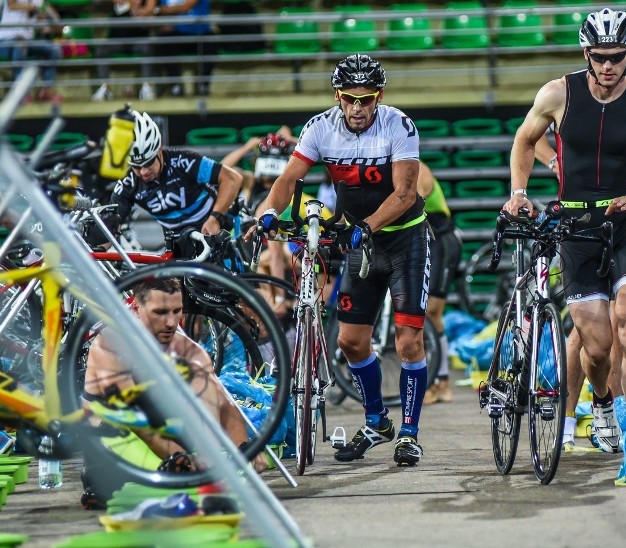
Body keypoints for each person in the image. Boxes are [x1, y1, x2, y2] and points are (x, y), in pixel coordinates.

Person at [504, 8, 626, 454]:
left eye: (617, 56)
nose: (608, 66)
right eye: (600, 56)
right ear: (586, 53)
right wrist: (519, 192)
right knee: (596, 347)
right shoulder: (558, 93)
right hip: (575, 225)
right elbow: (524, 139)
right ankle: (599, 401)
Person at [250, 54, 428, 466]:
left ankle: (410, 434)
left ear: (378, 97)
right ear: (338, 96)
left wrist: (363, 227)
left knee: (408, 341)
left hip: (405, 241)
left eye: (366, 99)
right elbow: (287, 180)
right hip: (360, 241)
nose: (358, 107)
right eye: (350, 99)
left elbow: (403, 194)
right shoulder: (319, 128)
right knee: (350, 341)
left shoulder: (399, 125)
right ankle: (376, 421)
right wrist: (266, 214)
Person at [81, 278, 267, 506]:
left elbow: (222, 401)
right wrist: (185, 460)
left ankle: (184, 468)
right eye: (160, 312)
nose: (171, 322)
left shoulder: (187, 348)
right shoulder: (109, 344)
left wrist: (245, 449)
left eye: (176, 311)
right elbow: (132, 416)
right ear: (136, 308)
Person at [109, 110, 242, 238]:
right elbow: (109, 231)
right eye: (136, 166)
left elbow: (232, 178)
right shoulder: (128, 183)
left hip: (218, 228)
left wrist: (215, 218)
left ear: (159, 151)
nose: (144, 171)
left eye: (149, 163)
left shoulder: (184, 161)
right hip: (179, 242)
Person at [418, 161, 461, 405]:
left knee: (432, 313)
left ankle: (442, 383)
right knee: (420, 314)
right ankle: (436, 380)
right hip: (422, 241)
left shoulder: (418, 167)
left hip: (442, 242)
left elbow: (420, 191)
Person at [143, 0, 217, 97]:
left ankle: (203, 85)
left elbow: (186, 6)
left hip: (200, 33)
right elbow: (154, 13)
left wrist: (162, 10)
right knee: (164, 43)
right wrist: (163, 20)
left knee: (211, 42)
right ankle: (176, 86)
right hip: (177, 32)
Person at [91, 0, 157, 102]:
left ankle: (146, 87)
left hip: (138, 40)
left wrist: (141, 11)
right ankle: (105, 88)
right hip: (117, 40)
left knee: (148, 47)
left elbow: (151, 9)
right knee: (101, 49)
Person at [0, 0, 62, 103]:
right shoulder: (34, 5)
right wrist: (32, 7)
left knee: (53, 50)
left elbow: (41, 18)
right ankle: (20, 93)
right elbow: (11, 5)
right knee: (20, 45)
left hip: (27, 41)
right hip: (6, 39)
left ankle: (47, 90)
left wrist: (49, 24)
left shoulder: (39, 1)